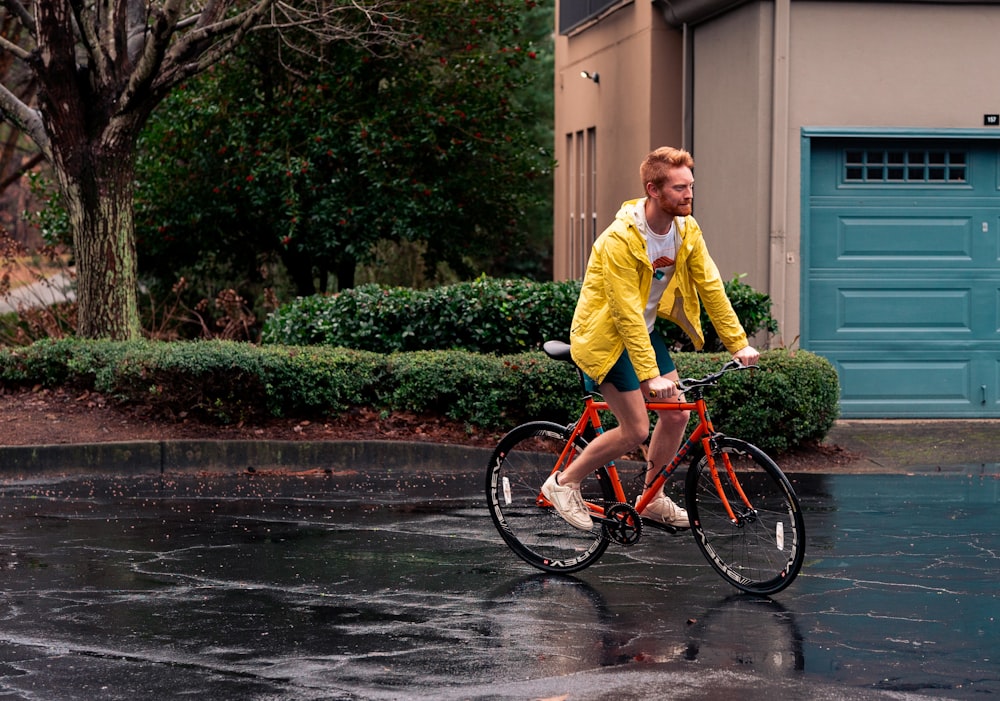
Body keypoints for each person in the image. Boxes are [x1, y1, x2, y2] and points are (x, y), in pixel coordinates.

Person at [541, 146, 760, 531]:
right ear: (653, 189)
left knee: (675, 417)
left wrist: (738, 343)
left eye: (691, 185)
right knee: (637, 429)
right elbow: (625, 313)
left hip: (643, 333)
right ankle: (563, 482)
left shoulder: (686, 230)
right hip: (606, 339)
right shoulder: (618, 240)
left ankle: (651, 497)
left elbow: (711, 287)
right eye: (679, 188)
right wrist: (648, 375)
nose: (689, 194)